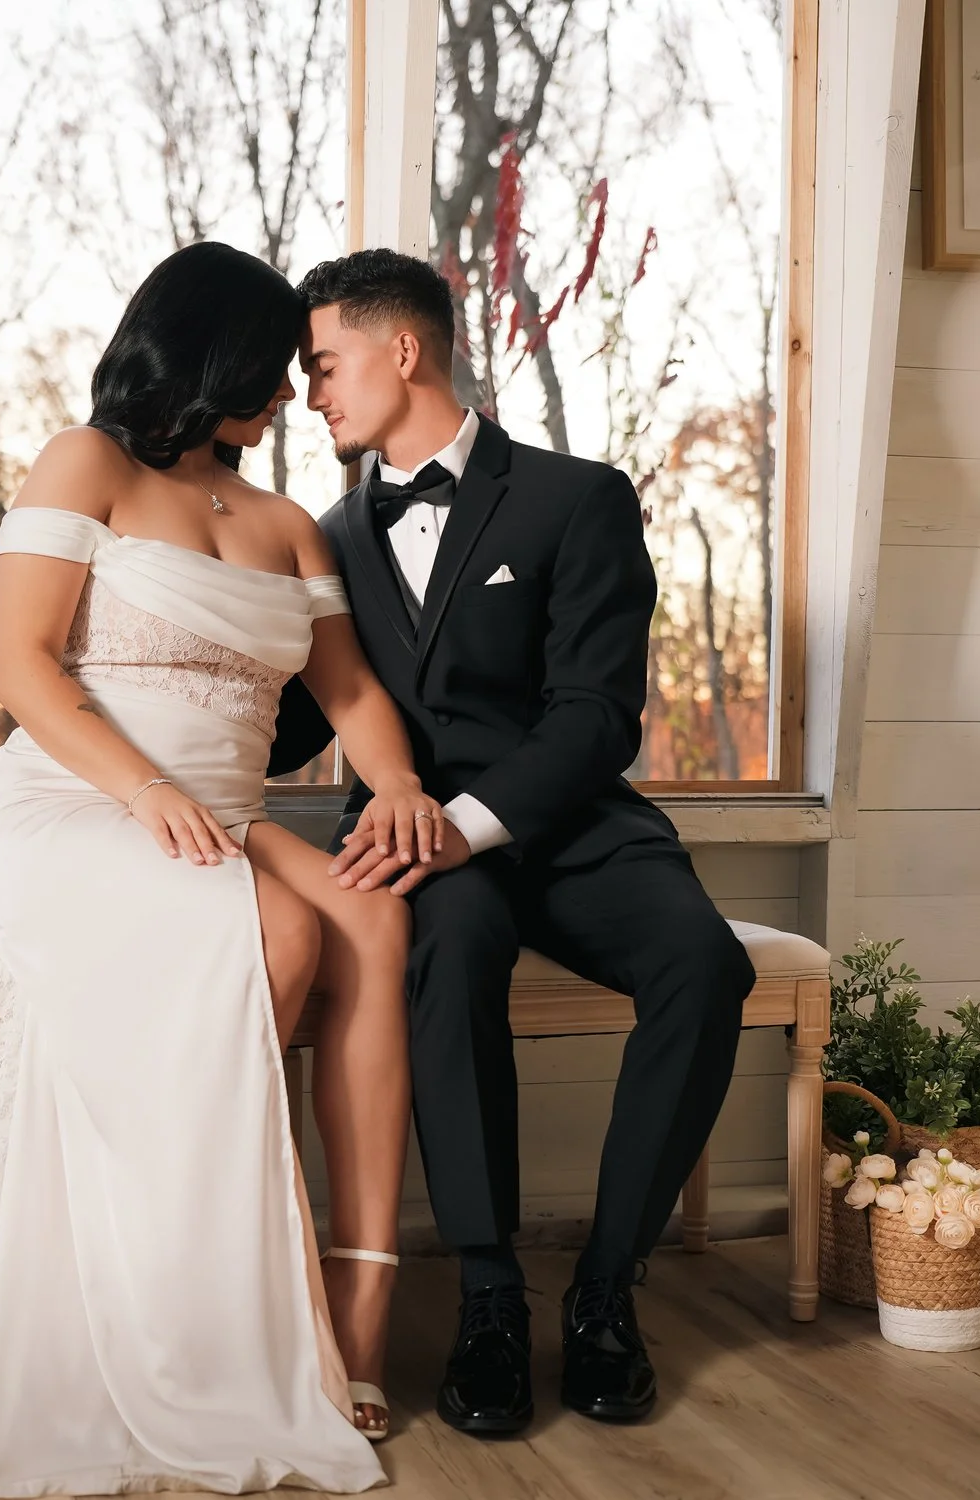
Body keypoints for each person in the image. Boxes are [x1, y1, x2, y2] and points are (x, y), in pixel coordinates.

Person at [0, 242, 437, 1494]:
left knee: (372, 926)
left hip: (223, 817)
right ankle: (196, 1276)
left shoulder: (284, 526)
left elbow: (350, 686)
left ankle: (354, 1309)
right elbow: (23, 666)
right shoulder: (83, 464)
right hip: (77, 801)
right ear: (219, 357)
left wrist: (406, 786)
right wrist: (142, 789)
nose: (294, 392)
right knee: (279, 939)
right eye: (278, 367)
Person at [267, 248, 755, 1435]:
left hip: (573, 830)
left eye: (323, 364)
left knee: (707, 966)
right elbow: (290, 725)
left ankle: (603, 1296)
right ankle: (489, 1295)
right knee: (447, 957)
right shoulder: (321, 536)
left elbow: (597, 716)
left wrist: (468, 828)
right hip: (406, 846)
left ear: (402, 349)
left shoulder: (576, 498)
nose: (312, 392)